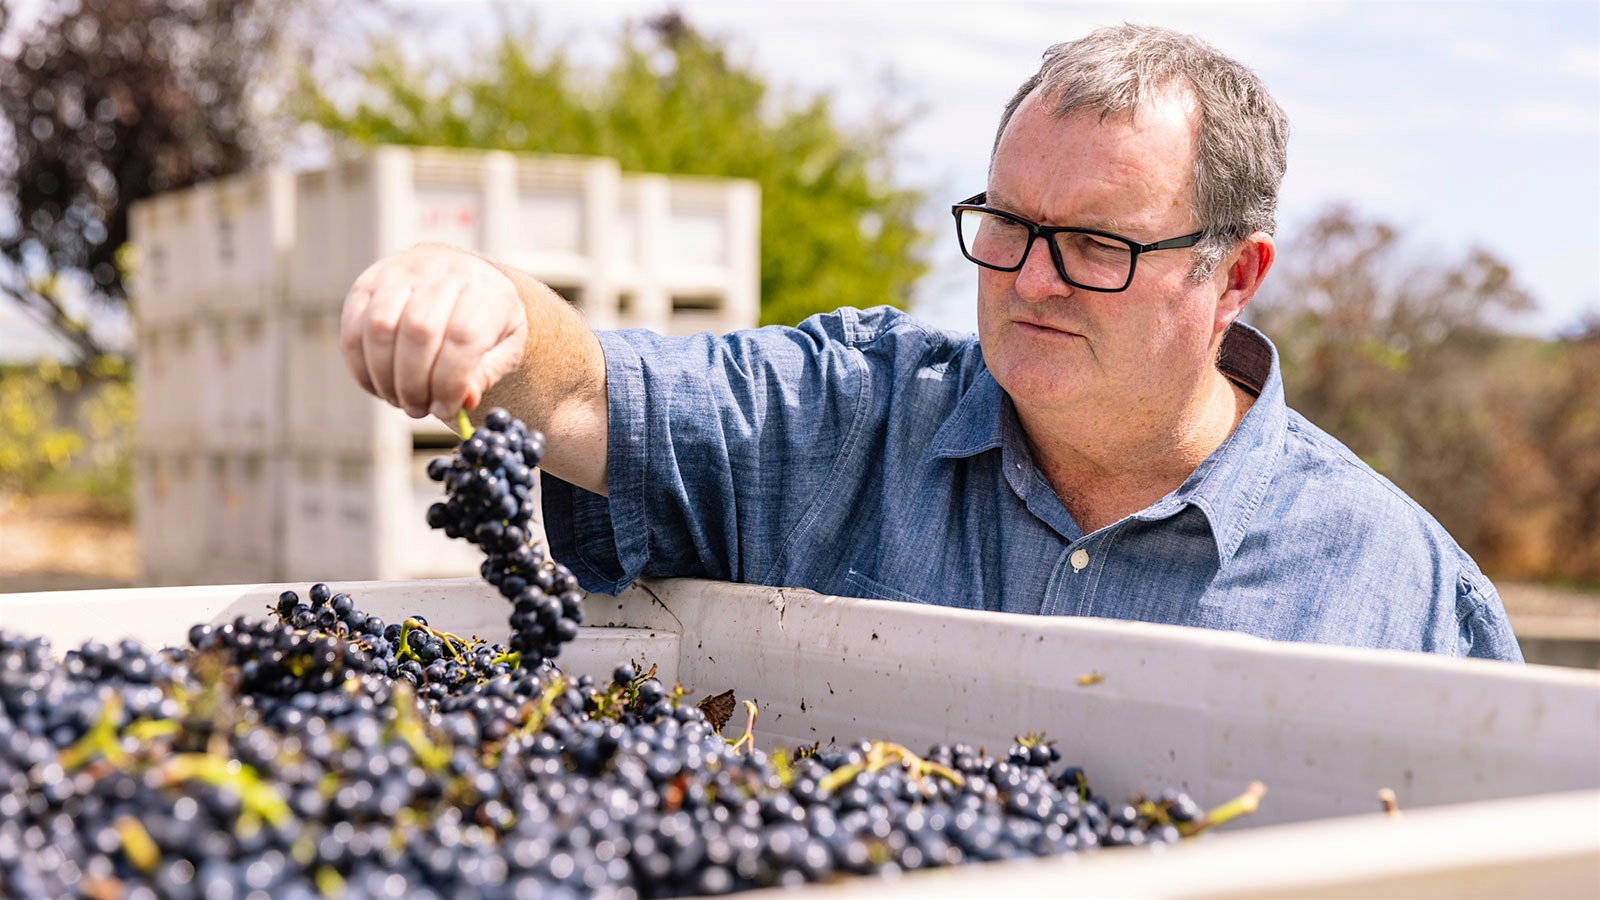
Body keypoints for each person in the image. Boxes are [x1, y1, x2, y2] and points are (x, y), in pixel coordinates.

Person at [338, 24, 1522, 662]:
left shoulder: (1399, 593)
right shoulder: (846, 417)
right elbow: (592, 390)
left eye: (1096, 245)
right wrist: (479, 295)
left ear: (1233, 276)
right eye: (1006, 225)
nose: (1030, 281)